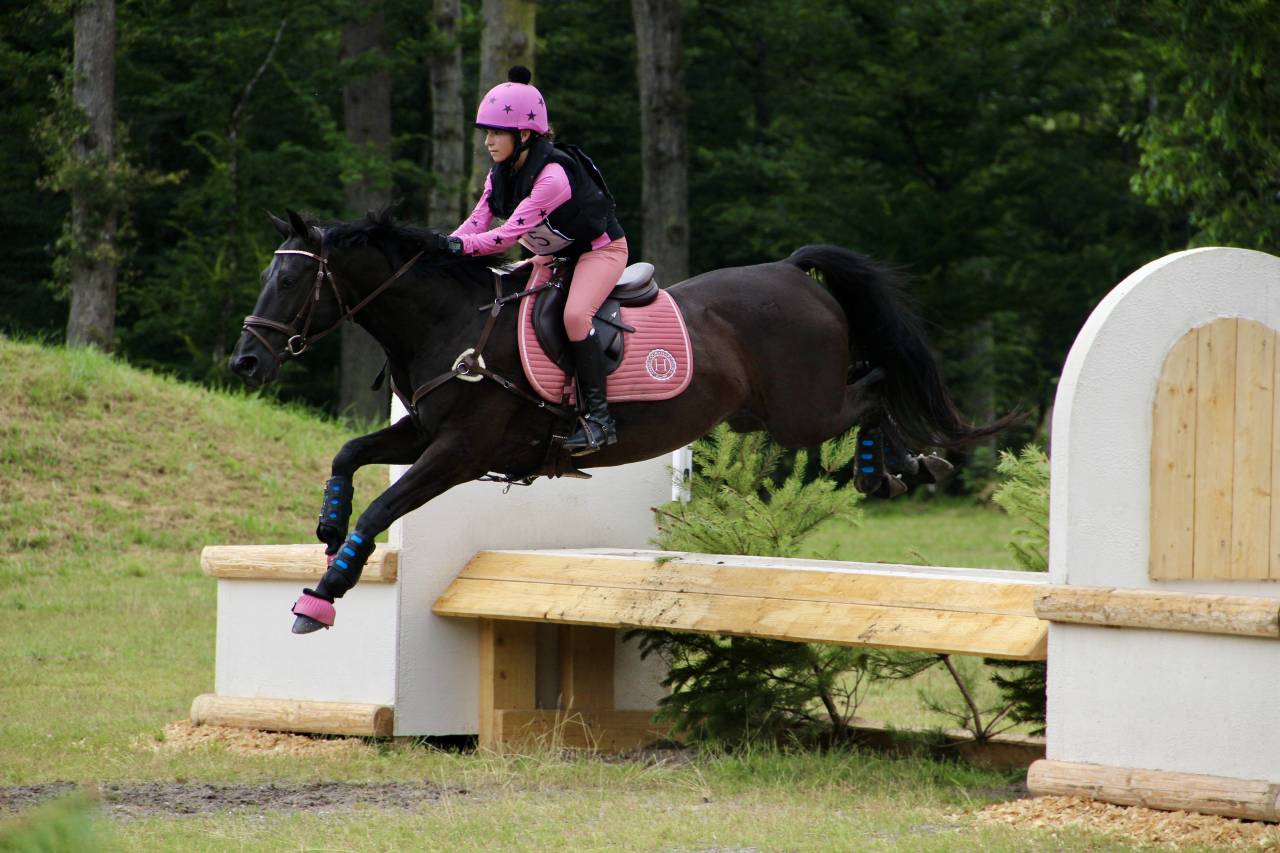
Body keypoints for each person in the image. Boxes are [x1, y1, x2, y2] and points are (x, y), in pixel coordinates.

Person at [435, 66, 627, 455]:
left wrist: (457, 249)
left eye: (495, 133)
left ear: (524, 135)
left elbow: (503, 237)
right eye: (486, 133)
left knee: (575, 316)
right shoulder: (500, 174)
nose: (488, 142)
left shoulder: (553, 177)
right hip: (553, 255)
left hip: (599, 252)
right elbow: (477, 222)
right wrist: (442, 246)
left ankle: (600, 420)